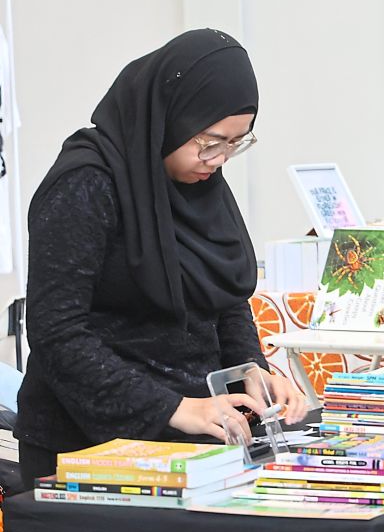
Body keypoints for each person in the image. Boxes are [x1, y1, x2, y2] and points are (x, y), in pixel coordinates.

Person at [16, 29, 307, 489]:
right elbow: (57, 334)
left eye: (236, 143)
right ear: (169, 117)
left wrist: (251, 371)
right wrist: (172, 408)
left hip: (199, 438)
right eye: (210, 141)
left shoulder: (199, 181)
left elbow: (224, 297)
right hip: (89, 444)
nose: (219, 159)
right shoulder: (85, 183)